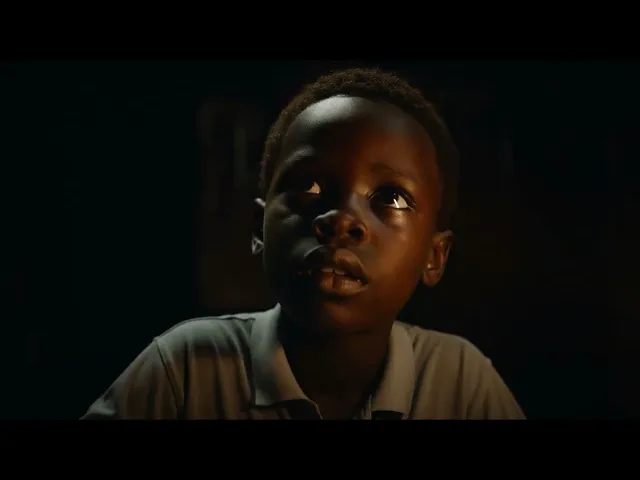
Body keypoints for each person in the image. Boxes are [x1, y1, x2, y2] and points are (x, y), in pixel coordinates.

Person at [82, 67, 525, 420]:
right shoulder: (184, 371)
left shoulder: (460, 381)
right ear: (259, 227)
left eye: (391, 197)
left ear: (434, 256)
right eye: (309, 187)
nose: (341, 220)